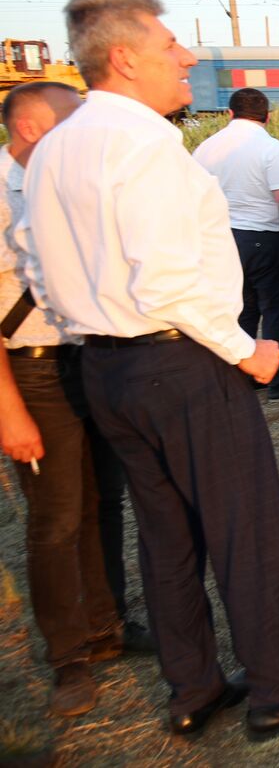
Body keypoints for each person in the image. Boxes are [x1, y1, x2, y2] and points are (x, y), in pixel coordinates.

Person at [18, 0, 279, 735]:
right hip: (182, 363)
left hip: (105, 369)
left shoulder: (54, 148)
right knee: (251, 531)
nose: (190, 56)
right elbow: (168, 281)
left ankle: (194, 685)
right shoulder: (140, 146)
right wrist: (252, 350)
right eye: (171, 44)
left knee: (166, 533)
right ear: (124, 57)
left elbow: (36, 265)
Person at [0, 81, 154, 718]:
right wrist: (9, 412)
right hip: (32, 370)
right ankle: (68, 655)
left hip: (92, 357)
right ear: (34, 128)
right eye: (72, 125)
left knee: (104, 498)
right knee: (57, 516)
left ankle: (107, 623)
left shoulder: (63, 185)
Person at [193, 87, 279, 400]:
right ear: (268, 115)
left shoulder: (205, 149)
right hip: (265, 238)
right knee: (277, 310)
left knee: (242, 310)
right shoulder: (270, 147)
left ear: (230, 114)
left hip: (221, 239)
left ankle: (244, 375)